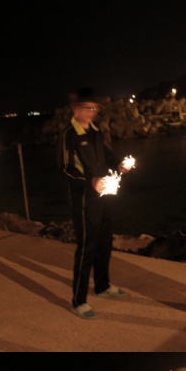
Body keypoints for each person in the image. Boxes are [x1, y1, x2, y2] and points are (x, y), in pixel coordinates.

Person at [62, 95, 119, 310]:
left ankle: (102, 286)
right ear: (75, 108)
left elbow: (106, 155)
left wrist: (119, 164)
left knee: (104, 242)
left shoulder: (95, 131)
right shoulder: (69, 135)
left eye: (95, 108)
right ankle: (79, 300)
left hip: (103, 196)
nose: (92, 112)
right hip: (84, 200)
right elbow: (65, 169)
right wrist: (90, 181)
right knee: (87, 248)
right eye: (87, 107)